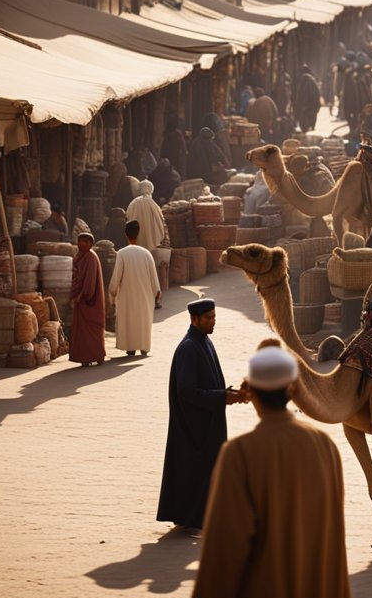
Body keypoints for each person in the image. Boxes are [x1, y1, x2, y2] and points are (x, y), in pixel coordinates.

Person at [194, 342, 351, 598]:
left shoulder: (239, 453)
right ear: (292, 388)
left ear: (250, 389)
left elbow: (227, 541)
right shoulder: (325, 445)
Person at [158, 298, 245, 534]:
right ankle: (193, 519)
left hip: (209, 421)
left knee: (207, 471)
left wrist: (228, 394)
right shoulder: (188, 348)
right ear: (194, 319)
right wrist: (221, 397)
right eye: (208, 318)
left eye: (214, 317)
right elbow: (186, 391)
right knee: (194, 472)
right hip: (194, 426)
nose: (213, 322)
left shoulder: (205, 342)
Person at [109, 221, 161, 357]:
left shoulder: (122, 253)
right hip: (145, 297)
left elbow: (116, 278)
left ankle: (130, 348)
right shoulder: (146, 254)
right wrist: (156, 293)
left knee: (129, 321)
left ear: (126, 234)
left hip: (127, 296)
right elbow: (154, 279)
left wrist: (112, 292)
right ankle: (144, 347)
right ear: (138, 234)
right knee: (143, 321)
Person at [69, 232, 107, 367]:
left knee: (93, 328)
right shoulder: (79, 257)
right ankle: (84, 357)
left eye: (85, 242)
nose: (81, 244)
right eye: (80, 241)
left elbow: (90, 281)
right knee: (81, 330)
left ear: (91, 244)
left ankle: (98, 355)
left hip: (91, 300)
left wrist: (82, 295)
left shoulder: (91, 257)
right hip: (80, 300)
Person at [293, 68, 322, 132]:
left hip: (304, 107)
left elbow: (299, 96)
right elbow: (317, 94)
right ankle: (311, 126)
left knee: (304, 125)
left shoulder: (301, 82)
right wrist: (317, 105)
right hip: (311, 107)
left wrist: (297, 106)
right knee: (311, 120)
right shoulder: (313, 81)